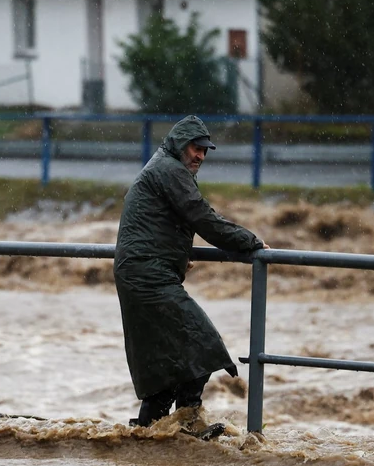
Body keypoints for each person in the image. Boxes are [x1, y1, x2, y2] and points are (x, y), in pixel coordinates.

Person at [114, 115, 269, 428]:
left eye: (205, 150)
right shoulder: (170, 169)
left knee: (166, 363)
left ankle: (149, 435)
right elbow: (203, 218)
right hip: (149, 276)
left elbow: (163, 221)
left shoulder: (164, 166)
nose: (200, 155)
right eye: (194, 148)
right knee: (201, 346)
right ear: (179, 145)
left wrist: (177, 255)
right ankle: (188, 426)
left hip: (144, 271)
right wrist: (252, 242)